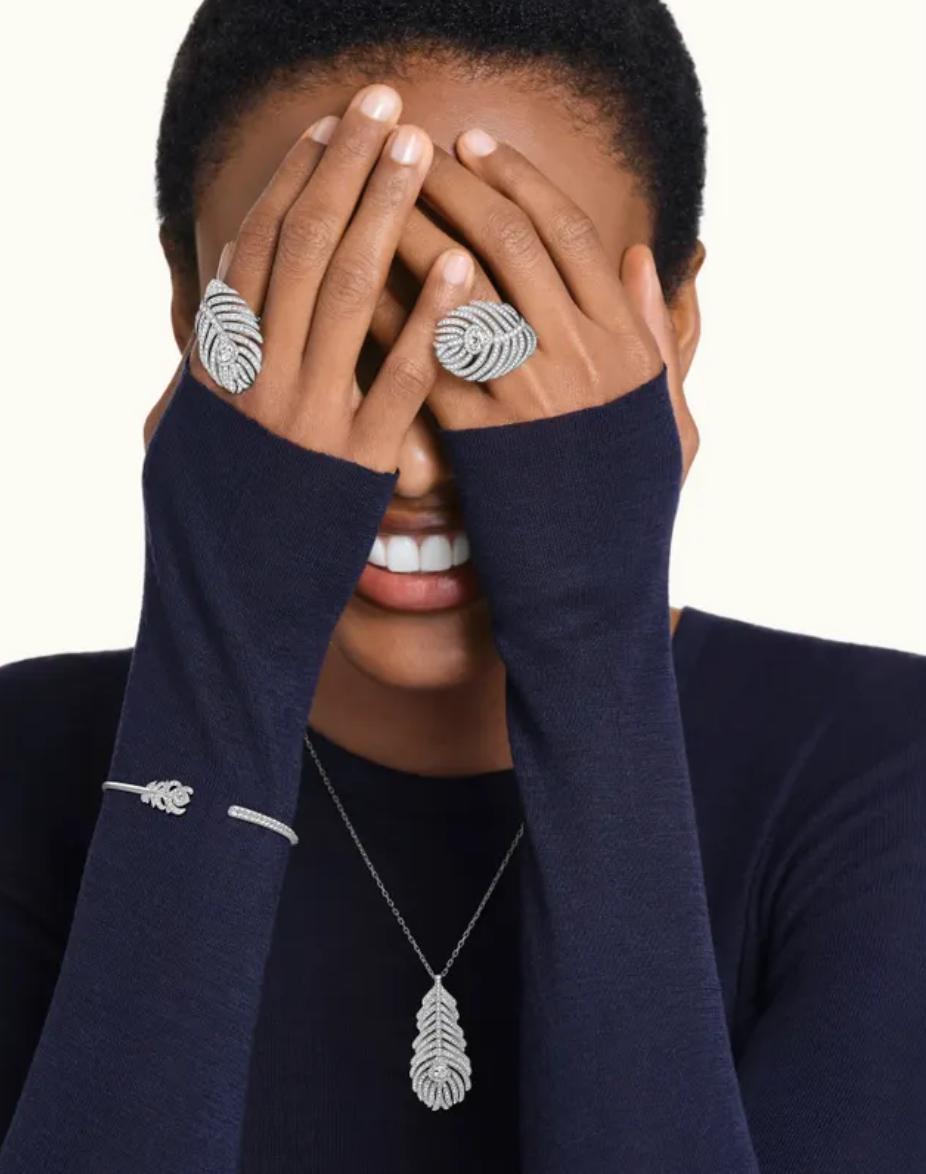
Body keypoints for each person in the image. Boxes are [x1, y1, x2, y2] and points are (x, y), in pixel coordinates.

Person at [1, 0, 924, 1170]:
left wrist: (594, 639)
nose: (415, 462)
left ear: (673, 324)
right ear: (192, 317)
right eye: (317, 326)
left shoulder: (882, 773)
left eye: (510, 328)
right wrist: (217, 644)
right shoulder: (22, 772)